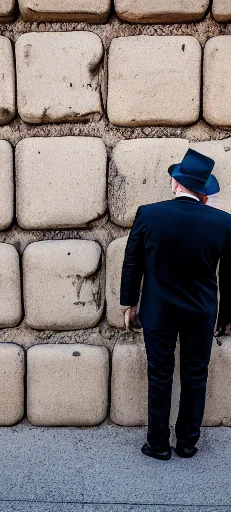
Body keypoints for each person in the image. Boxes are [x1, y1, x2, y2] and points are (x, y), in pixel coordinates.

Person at [120, 148, 231, 461]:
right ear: (202, 190)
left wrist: (129, 303)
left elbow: (132, 263)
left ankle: (157, 444)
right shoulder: (223, 223)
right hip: (201, 313)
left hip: (158, 311)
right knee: (196, 375)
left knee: (160, 374)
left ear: (175, 183)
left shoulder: (149, 214)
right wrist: (225, 317)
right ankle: (187, 443)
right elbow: (230, 278)